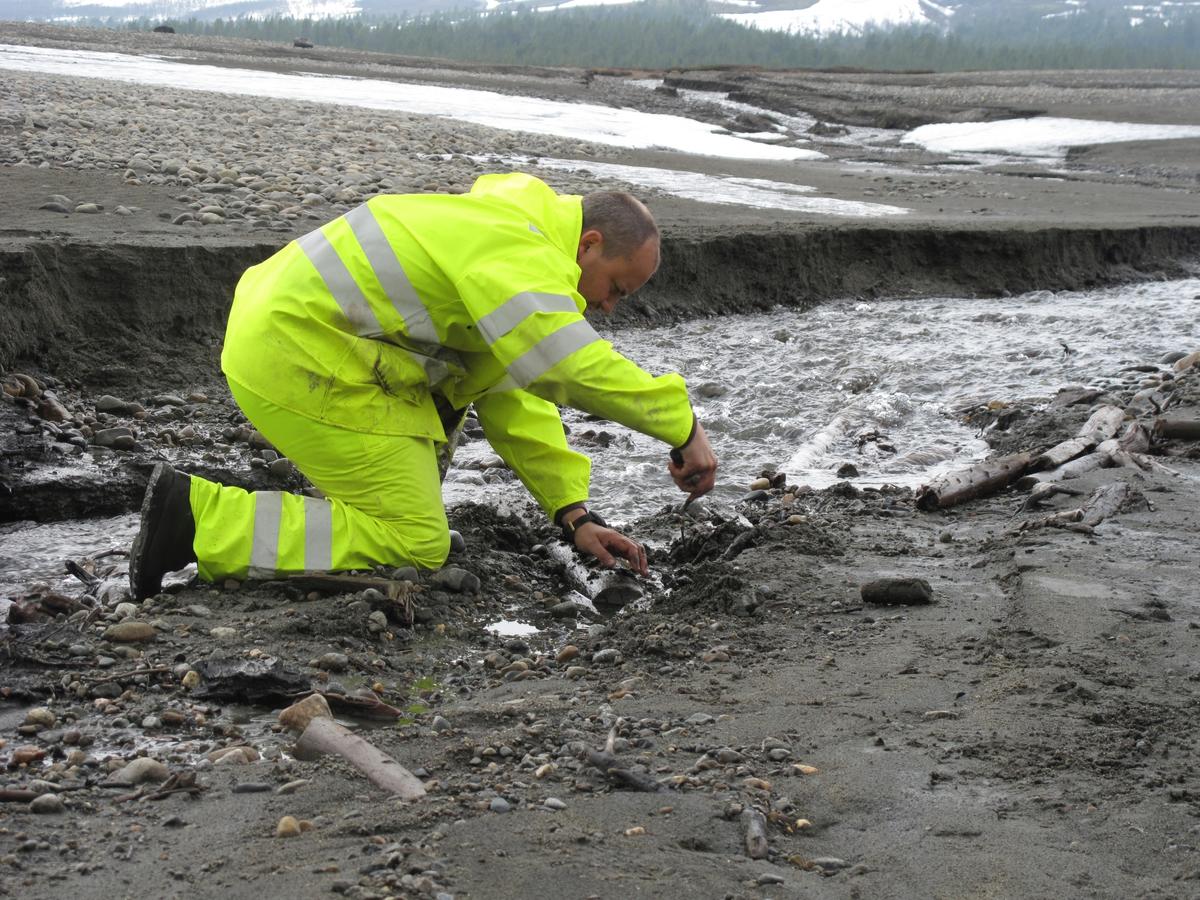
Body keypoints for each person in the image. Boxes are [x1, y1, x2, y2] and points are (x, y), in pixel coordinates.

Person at [129, 172, 718, 600]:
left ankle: (355, 507)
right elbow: (561, 364)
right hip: (300, 354)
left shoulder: (507, 235)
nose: (610, 307)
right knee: (417, 543)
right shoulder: (516, 248)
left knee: (416, 499)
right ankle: (195, 520)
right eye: (616, 286)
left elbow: (512, 393)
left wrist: (574, 515)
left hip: (300, 340)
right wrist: (680, 424)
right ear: (589, 244)